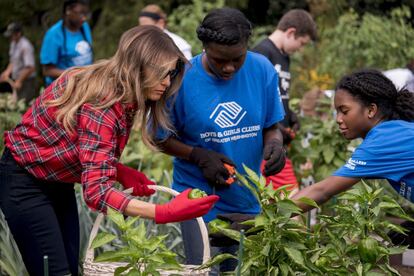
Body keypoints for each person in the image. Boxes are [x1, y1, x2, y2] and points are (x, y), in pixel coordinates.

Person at [0, 25, 219, 276]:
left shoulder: (122, 90)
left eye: (171, 74)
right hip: (24, 181)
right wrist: (163, 212)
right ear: (137, 67)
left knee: (69, 268)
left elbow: (80, 144)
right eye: (162, 74)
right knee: (55, 271)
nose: (167, 82)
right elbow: (96, 192)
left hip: (56, 179)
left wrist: (117, 170)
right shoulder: (103, 103)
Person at [156, 8, 286, 273]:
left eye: (237, 59)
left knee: (242, 269)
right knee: (205, 269)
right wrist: (198, 155)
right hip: (198, 197)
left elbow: (272, 125)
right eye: (219, 60)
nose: (229, 68)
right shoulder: (181, 79)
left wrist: (275, 143)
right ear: (204, 48)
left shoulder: (261, 69)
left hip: (245, 196)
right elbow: (159, 138)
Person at [291, 69, 414, 244]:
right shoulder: (394, 130)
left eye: (344, 111)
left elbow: (323, 191)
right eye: (337, 112)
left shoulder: (382, 140)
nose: (338, 119)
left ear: (371, 110)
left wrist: (266, 217)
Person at [253, 9, 317, 192]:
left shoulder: (284, 57)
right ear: (291, 32)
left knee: (274, 201)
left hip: (279, 141)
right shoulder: (262, 53)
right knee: (292, 201)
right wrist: (277, 127)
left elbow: (280, 94)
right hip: (267, 140)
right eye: (301, 43)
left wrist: (291, 116)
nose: (300, 49)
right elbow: (256, 99)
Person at [40, 0, 93, 87]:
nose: (84, 18)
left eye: (86, 14)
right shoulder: (53, 34)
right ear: (68, 10)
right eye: (80, 13)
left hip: (83, 85)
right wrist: (76, 74)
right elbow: (47, 71)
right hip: (63, 89)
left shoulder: (84, 27)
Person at [0, 22, 37, 103]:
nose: (9, 37)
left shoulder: (26, 46)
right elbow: (13, 61)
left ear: (18, 33)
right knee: (16, 102)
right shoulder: (13, 44)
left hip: (27, 82)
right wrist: (7, 72)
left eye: (11, 34)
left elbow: (30, 67)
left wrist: (19, 80)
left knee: (24, 104)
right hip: (16, 80)